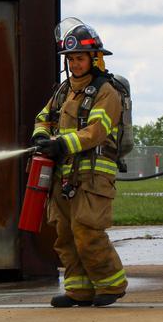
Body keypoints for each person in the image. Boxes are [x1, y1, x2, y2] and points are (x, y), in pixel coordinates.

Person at [31, 18, 127, 307]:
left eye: (80, 58)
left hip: (93, 176)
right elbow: (43, 118)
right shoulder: (63, 91)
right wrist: (41, 138)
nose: (74, 64)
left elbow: (96, 132)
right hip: (63, 175)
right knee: (63, 234)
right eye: (70, 59)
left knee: (87, 231)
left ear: (94, 58)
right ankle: (78, 290)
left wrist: (61, 143)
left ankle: (112, 284)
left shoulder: (106, 92)